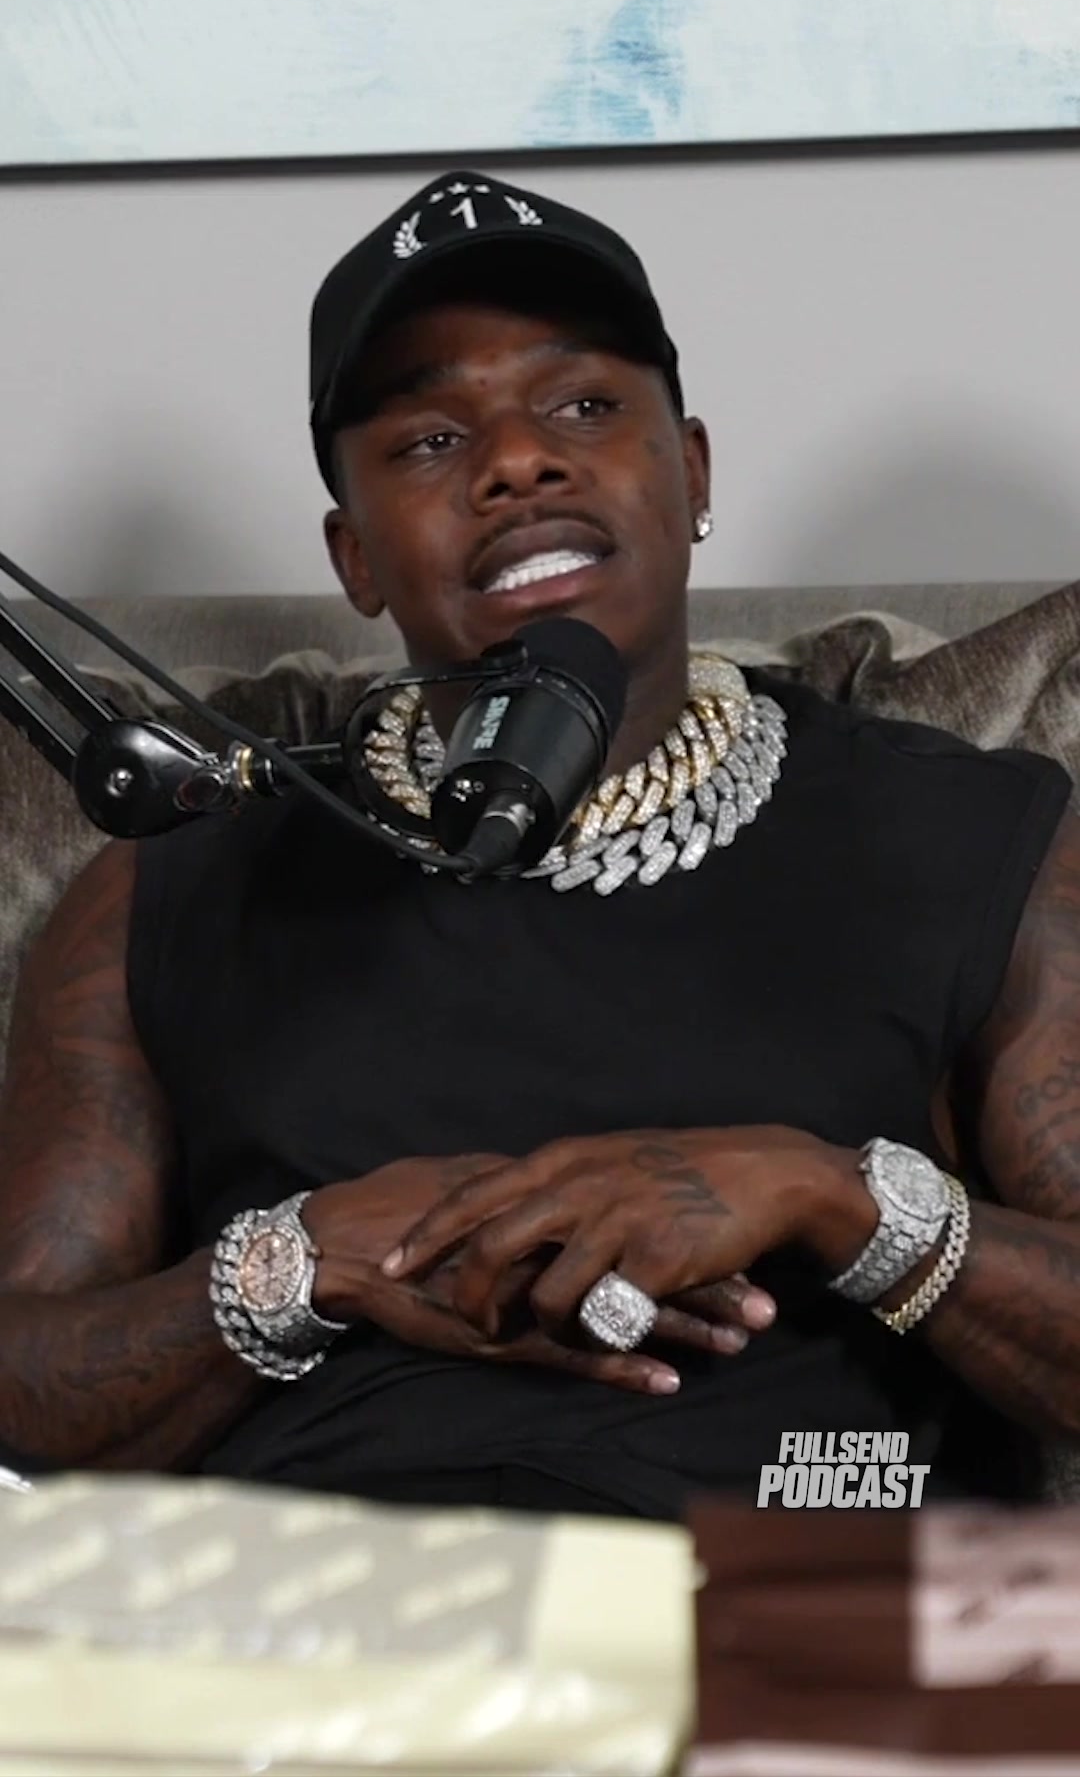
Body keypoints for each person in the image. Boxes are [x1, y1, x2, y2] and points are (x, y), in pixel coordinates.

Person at [1, 170, 1078, 1521]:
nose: (517, 460)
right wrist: (298, 1266)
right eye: (429, 439)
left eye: (583, 406)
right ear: (354, 558)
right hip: (314, 1589)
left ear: (693, 470)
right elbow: (21, 1376)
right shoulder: (171, 878)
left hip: (796, 1571)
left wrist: (837, 1199)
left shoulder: (966, 835)